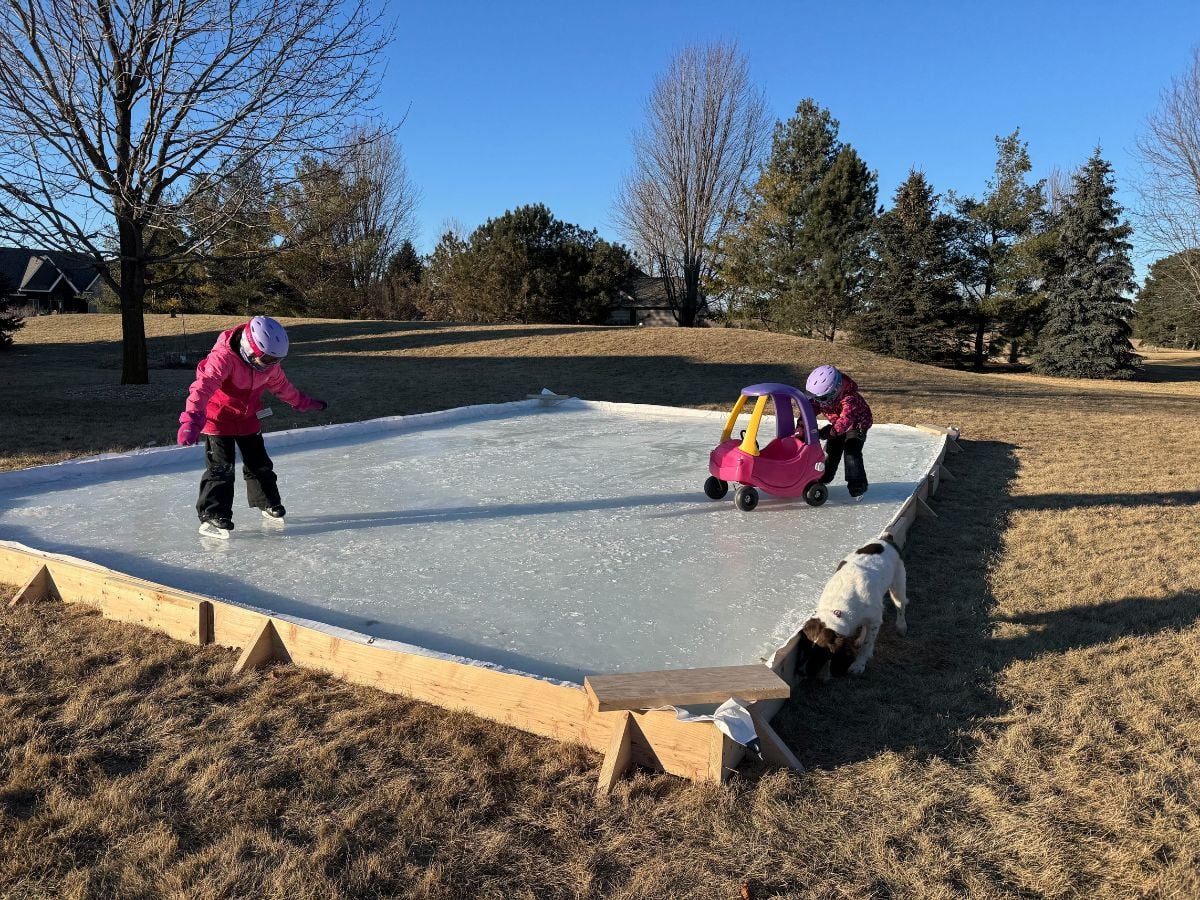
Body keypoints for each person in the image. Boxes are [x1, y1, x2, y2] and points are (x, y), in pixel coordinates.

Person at [177, 316, 326, 537]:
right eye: (266, 358)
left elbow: (282, 386)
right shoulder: (223, 358)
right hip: (218, 419)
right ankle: (213, 514)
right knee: (221, 468)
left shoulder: (269, 367)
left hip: (247, 417)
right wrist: (191, 419)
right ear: (248, 347)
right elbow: (202, 388)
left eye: (276, 359)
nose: (271, 364)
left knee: (260, 463)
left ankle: (267, 503)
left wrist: (301, 402)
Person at [804, 364, 872, 500]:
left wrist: (830, 432)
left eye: (821, 398)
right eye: (814, 396)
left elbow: (846, 420)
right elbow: (811, 407)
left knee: (851, 454)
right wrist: (802, 423)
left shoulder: (849, 399)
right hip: (838, 424)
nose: (818, 401)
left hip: (857, 425)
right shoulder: (823, 398)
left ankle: (858, 486)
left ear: (834, 391)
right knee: (831, 451)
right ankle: (823, 477)